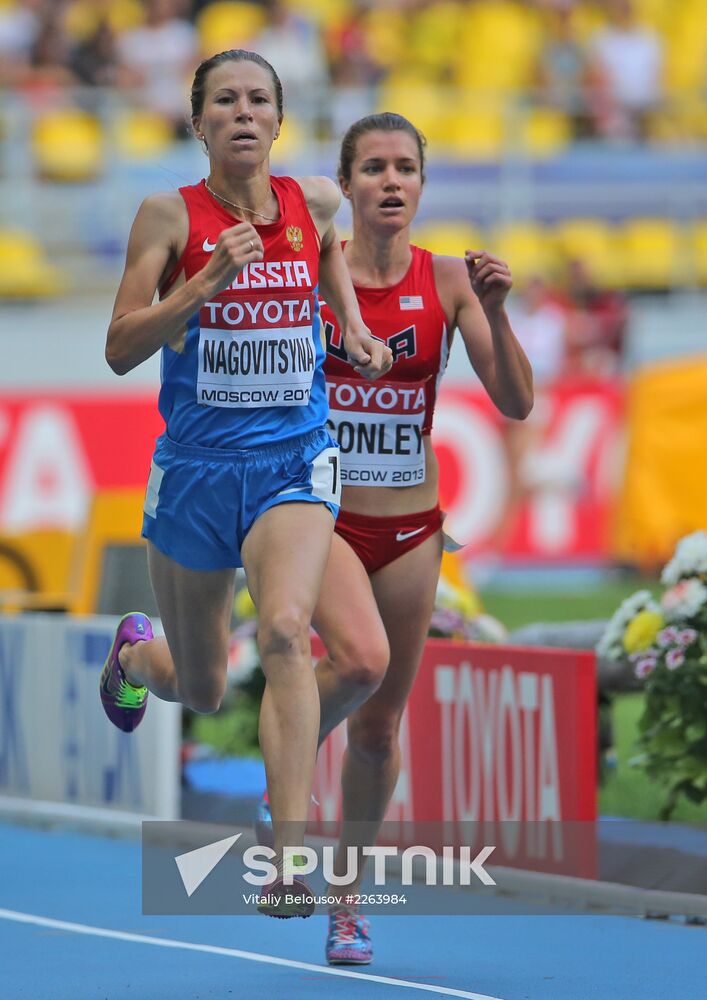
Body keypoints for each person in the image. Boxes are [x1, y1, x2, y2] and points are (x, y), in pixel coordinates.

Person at [98, 48, 391, 919]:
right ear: (198, 124)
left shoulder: (315, 203)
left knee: (288, 631)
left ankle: (285, 859)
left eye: (258, 100)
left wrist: (353, 327)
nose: (243, 113)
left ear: (277, 119)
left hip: (290, 462)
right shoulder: (168, 214)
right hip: (194, 472)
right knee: (200, 687)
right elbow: (119, 349)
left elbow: (329, 255)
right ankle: (132, 654)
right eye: (224, 101)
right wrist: (204, 283)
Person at [257, 112, 533, 962]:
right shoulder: (307, 275)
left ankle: (347, 902)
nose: (389, 180)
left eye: (404, 167)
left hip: (413, 526)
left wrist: (494, 311)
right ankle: (288, 785)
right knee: (363, 660)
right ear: (345, 184)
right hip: (322, 513)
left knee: (378, 729)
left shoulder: (448, 281)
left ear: (420, 184)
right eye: (371, 167)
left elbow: (516, 402)